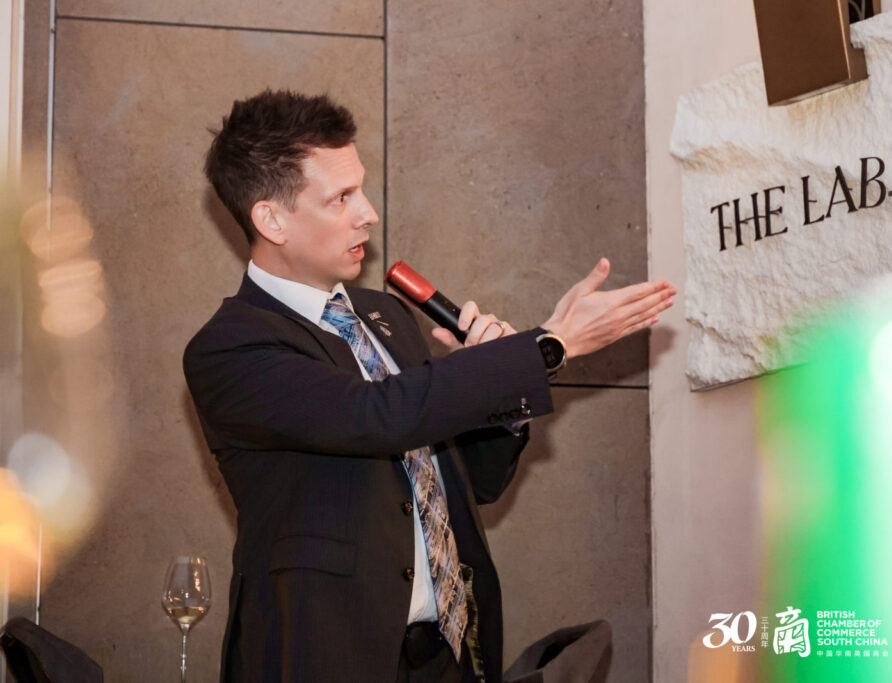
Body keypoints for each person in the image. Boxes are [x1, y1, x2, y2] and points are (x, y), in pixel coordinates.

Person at [184, 89, 675, 683]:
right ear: (271, 219)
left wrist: (500, 401)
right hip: (327, 653)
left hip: (448, 650)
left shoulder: (386, 316)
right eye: (341, 197)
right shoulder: (231, 346)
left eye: (361, 189)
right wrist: (547, 346)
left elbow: (471, 483)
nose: (367, 213)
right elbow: (376, 417)